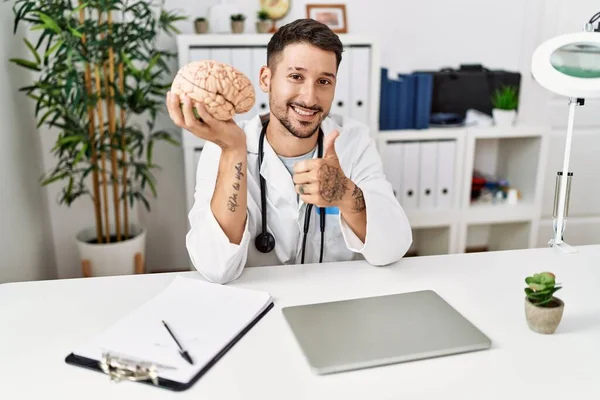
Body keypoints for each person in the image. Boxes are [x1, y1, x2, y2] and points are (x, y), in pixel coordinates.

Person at [166, 18, 412, 284]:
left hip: (332, 300)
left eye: (324, 81)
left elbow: (393, 248)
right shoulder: (223, 146)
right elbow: (214, 267)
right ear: (266, 79)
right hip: (256, 306)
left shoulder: (352, 141)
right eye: (296, 76)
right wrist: (233, 150)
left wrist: (345, 194)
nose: (309, 97)